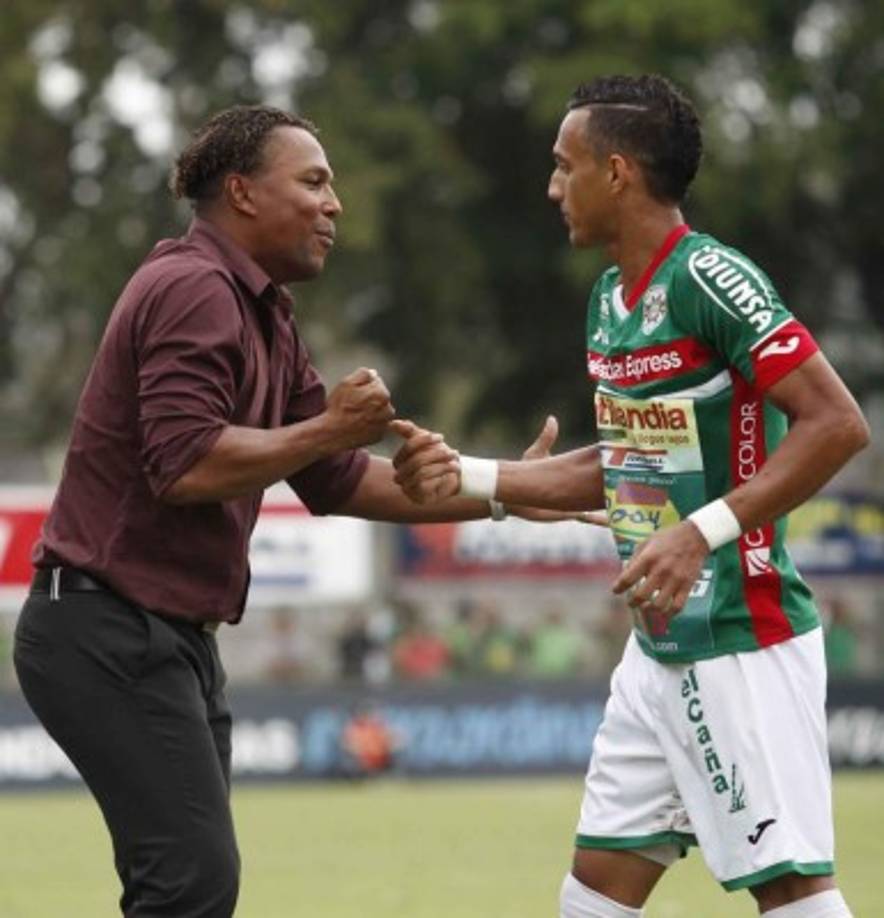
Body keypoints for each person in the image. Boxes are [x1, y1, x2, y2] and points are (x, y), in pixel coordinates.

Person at [12, 104, 602, 917]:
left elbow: (338, 479)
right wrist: (327, 425)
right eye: (315, 182)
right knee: (190, 885)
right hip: (104, 631)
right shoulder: (192, 287)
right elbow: (182, 465)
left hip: (162, 638)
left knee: (188, 888)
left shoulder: (264, 315)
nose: (335, 205)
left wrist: (498, 489)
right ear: (243, 191)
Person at [393, 75, 869, 917]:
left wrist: (699, 533)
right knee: (593, 896)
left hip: (739, 641)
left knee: (794, 893)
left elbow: (836, 424)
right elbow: (622, 461)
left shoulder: (711, 278)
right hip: (656, 651)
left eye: (562, 165)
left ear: (616, 172)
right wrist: (469, 476)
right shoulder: (610, 301)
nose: (551, 187)